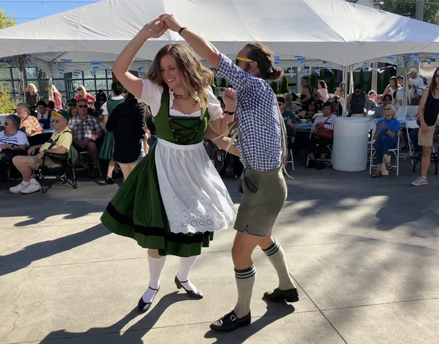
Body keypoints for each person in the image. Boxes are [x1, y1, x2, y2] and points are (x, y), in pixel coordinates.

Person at [159, 14, 296, 332]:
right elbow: (236, 147)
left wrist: (179, 29)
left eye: (238, 61)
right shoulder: (252, 98)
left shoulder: (255, 85)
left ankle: (242, 312)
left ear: (252, 66)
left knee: (239, 252)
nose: (232, 65)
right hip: (263, 183)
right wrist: (210, 132)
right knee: (263, 239)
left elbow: (211, 56)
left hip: (265, 187)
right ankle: (287, 287)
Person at [102, 17, 237, 315]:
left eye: (171, 68)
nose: (167, 74)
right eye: (162, 69)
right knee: (158, 233)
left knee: (194, 231)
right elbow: (119, 70)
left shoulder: (205, 95)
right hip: (162, 168)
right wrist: (144, 34)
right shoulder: (155, 92)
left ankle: (184, 277)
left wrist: (228, 111)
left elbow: (216, 131)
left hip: (196, 168)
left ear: (186, 66)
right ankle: (153, 285)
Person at [10, 110, 73, 194]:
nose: (54, 123)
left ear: (65, 122)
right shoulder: (57, 132)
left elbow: (62, 150)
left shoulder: (66, 134)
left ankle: (28, 183)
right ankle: (30, 182)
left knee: (19, 160)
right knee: (16, 159)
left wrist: (44, 152)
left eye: (57, 121)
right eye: (53, 120)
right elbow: (49, 144)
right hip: (45, 157)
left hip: (52, 160)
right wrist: (35, 146)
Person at [106, 92, 147, 181]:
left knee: (127, 181)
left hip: (120, 151)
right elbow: (139, 131)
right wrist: (145, 134)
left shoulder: (119, 107)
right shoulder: (140, 108)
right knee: (139, 182)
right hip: (135, 150)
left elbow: (109, 126)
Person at [411, 67, 439, 186]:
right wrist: (422, 123)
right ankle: (423, 177)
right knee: (426, 151)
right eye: (437, 76)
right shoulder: (427, 91)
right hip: (428, 123)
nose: (438, 78)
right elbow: (421, 109)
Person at [68, 98, 102, 178]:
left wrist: (89, 140)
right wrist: (77, 142)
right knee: (67, 149)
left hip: (89, 141)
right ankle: (85, 166)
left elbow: (99, 133)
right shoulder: (72, 121)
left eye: (85, 106)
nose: (83, 108)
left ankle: (95, 167)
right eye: (80, 106)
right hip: (76, 143)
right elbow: (69, 135)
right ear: (77, 107)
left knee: (92, 145)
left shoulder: (93, 119)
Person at [99, 81, 125, 184]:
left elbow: (105, 121)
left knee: (113, 155)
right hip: (124, 132)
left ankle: (108, 176)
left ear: (113, 90)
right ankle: (125, 176)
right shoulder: (126, 102)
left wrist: (107, 133)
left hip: (111, 132)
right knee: (124, 155)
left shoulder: (107, 103)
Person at [371, 105, 400, 178]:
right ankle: (387, 162)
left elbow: (392, 136)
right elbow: (375, 137)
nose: (386, 110)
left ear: (393, 112)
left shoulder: (396, 122)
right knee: (380, 141)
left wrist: (386, 129)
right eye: (385, 109)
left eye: (388, 109)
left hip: (390, 142)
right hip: (381, 142)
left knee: (380, 142)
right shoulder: (380, 121)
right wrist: (380, 130)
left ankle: (378, 170)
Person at [306, 102, 336, 170]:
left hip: (328, 137)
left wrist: (324, 125)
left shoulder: (334, 117)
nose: (326, 110)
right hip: (318, 135)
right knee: (308, 141)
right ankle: (313, 160)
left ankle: (322, 161)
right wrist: (316, 128)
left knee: (323, 142)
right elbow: (312, 129)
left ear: (331, 110)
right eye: (325, 109)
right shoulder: (318, 118)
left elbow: (335, 127)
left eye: (328, 109)